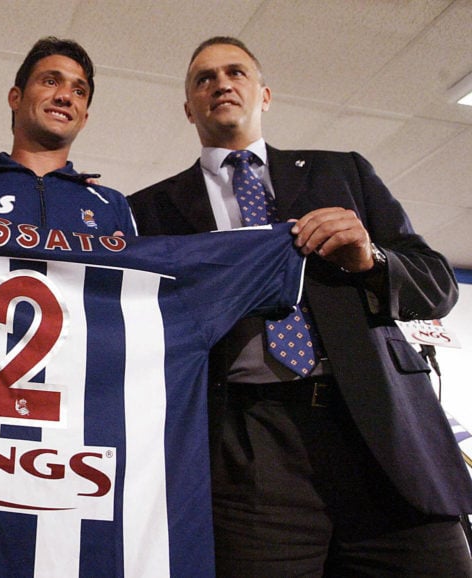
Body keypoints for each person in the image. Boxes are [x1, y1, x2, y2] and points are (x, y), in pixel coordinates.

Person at [130, 36, 472, 576]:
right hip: (246, 448)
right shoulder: (147, 211)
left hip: (380, 431)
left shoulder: (344, 173)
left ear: (264, 94)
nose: (221, 83)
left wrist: (372, 259)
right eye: (204, 78)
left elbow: (437, 286)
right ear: (188, 107)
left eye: (236, 72)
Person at [0, 36, 135, 237]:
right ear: (15, 98)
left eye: (79, 91)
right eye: (51, 81)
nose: (65, 97)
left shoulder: (111, 206)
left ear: (84, 119)